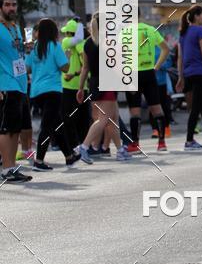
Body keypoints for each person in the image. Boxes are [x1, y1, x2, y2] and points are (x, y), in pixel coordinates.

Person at [26, 18, 81, 170]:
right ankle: (39, 161)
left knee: (56, 124)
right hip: (53, 91)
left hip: (36, 92)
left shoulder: (34, 48)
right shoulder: (55, 46)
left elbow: (27, 69)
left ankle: (69, 157)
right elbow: (64, 68)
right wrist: (68, 58)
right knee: (47, 127)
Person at [77, 13, 131, 162]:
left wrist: (80, 88)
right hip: (107, 82)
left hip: (94, 82)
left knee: (113, 119)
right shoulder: (109, 41)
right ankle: (84, 147)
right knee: (104, 119)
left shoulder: (87, 43)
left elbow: (85, 68)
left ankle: (120, 150)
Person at [125, 11, 170, 153]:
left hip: (132, 73)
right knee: (157, 109)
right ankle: (162, 142)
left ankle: (135, 144)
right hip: (149, 72)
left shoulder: (124, 32)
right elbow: (166, 49)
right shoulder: (151, 29)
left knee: (135, 111)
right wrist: (156, 67)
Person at [0, 0, 33, 183]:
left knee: (14, 129)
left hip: (20, 84)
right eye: (7, 5)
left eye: (14, 4)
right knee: (6, 129)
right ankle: (6, 169)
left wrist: (26, 48)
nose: (11, 8)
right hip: (6, 83)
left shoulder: (13, 27)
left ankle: (11, 167)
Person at [176, 6, 202, 150]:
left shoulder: (184, 33)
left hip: (188, 74)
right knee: (196, 107)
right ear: (197, 17)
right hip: (200, 73)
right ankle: (189, 140)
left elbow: (180, 57)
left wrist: (180, 76)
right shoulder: (200, 31)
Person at [60, 19, 89, 156]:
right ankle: (83, 144)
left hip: (69, 85)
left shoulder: (67, 42)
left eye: (66, 32)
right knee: (83, 116)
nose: (64, 35)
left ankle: (75, 144)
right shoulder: (82, 44)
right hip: (83, 85)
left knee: (70, 117)